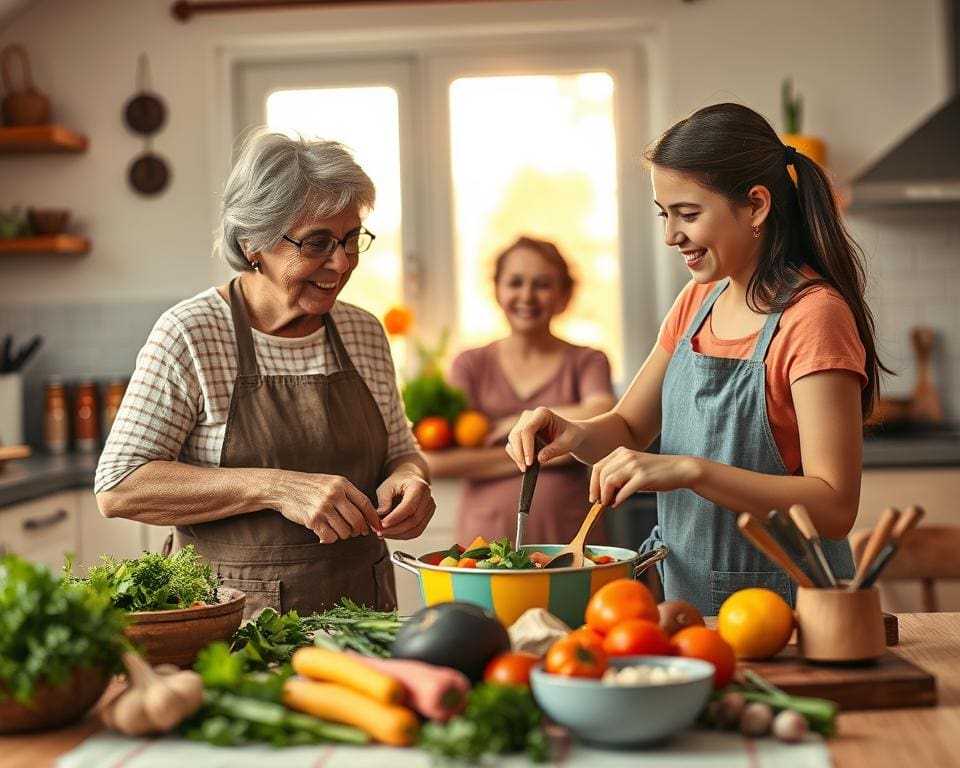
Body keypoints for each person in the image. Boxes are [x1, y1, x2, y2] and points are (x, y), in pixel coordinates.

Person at [507, 103, 884, 614]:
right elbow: (628, 426)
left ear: (755, 205)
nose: (670, 235)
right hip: (691, 606)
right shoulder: (697, 302)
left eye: (688, 214)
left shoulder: (813, 317)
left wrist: (690, 470)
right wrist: (572, 433)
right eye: (665, 215)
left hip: (793, 614)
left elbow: (835, 506)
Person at [95, 131, 435, 618]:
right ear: (253, 241)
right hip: (231, 624)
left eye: (350, 238)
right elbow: (119, 485)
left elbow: (403, 449)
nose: (342, 262)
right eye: (317, 242)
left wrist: (410, 479)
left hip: (363, 612)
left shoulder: (362, 330)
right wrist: (277, 488)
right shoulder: (191, 333)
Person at [425, 236, 616, 546]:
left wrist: (517, 422)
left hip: (568, 537)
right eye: (515, 282)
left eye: (542, 284)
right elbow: (436, 459)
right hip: (483, 540)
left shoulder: (588, 360)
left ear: (564, 295)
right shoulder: (470, 363)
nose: (527, 295)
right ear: (497, 290)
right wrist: (550, 454)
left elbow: (602, 415)